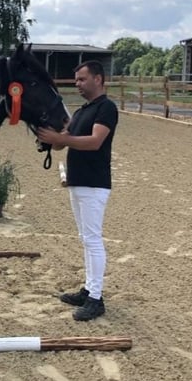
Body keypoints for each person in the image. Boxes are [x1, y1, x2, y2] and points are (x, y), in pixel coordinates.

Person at [36, 60, 118, 321]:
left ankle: (96, 298)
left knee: (92, 239)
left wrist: (61, 139)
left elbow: (95, 142)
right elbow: (62, 143)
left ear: (98, 79)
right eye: (77, 80)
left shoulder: (106, 108)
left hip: (94, 183)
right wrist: (51, 139)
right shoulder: (82, 111)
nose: (78, 84)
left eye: (82, 79)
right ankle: (88, 289)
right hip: (79, 181)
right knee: (85, 238)